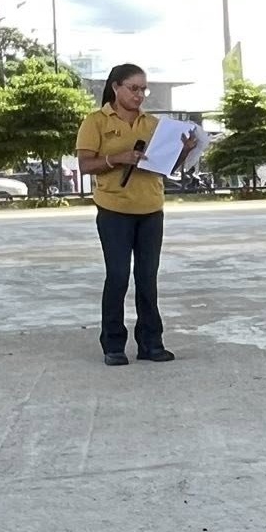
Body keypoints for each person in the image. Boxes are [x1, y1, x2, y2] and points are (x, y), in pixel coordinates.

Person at [76, 64, 198, 366]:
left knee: (147, 278)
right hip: (114, 210)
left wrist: (184, 151)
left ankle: (151, 343)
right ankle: (113, 345)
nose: (140, 95)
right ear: (116, 87)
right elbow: (86, 165)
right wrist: (119, 158)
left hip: (151, 210)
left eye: (144, 89)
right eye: (133, 88)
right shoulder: (96, 121)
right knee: (118, 276)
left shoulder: (154, 124)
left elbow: (164, 166)